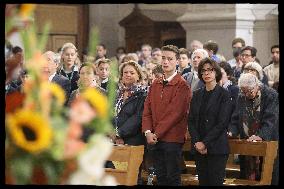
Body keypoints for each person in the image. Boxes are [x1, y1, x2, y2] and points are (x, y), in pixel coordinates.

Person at [142, 45, 192, 186]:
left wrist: (155, 134)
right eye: (163, 58)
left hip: (172, 139)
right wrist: (147, 132)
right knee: (161, 177)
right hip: (154, 138)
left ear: (177, 61)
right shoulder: (155, 83)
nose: (165, 62)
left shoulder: (182, 85)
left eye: (170, 59)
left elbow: (175, 114)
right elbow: (147, 110)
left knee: (172, 178)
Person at [228, 73, 279, 183]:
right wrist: (232, 132)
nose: (246, 95)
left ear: (257, 85)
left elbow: (271, 120)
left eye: (249, 91)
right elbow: (236, 117)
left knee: (267, 177)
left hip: (267, 143)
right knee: (246, 178)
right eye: (243, 91)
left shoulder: (271, 95)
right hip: (247, 144)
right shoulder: (241, 95)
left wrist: (260, 136)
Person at [188, 57, 231, 186]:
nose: (206, 73)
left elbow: (222, 122)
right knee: (203, 182)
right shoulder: (196, 94)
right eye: (203, 71)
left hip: (216, 147)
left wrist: (205, 143)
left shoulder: (224, 94)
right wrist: (197, 142)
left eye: (210, 70)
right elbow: (191, 120)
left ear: (216, 72)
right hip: (198, 148)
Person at [112, 60, 148, 184]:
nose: (128, 74)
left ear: (138, 75)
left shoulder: (143, 94)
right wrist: (112, 133)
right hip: (115, 141)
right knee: (116, 176)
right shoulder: (117, 93)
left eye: (132, 72)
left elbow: (138, 118)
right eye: (125, 72)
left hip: (133, 140)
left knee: (132, 177)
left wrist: (119, 133)